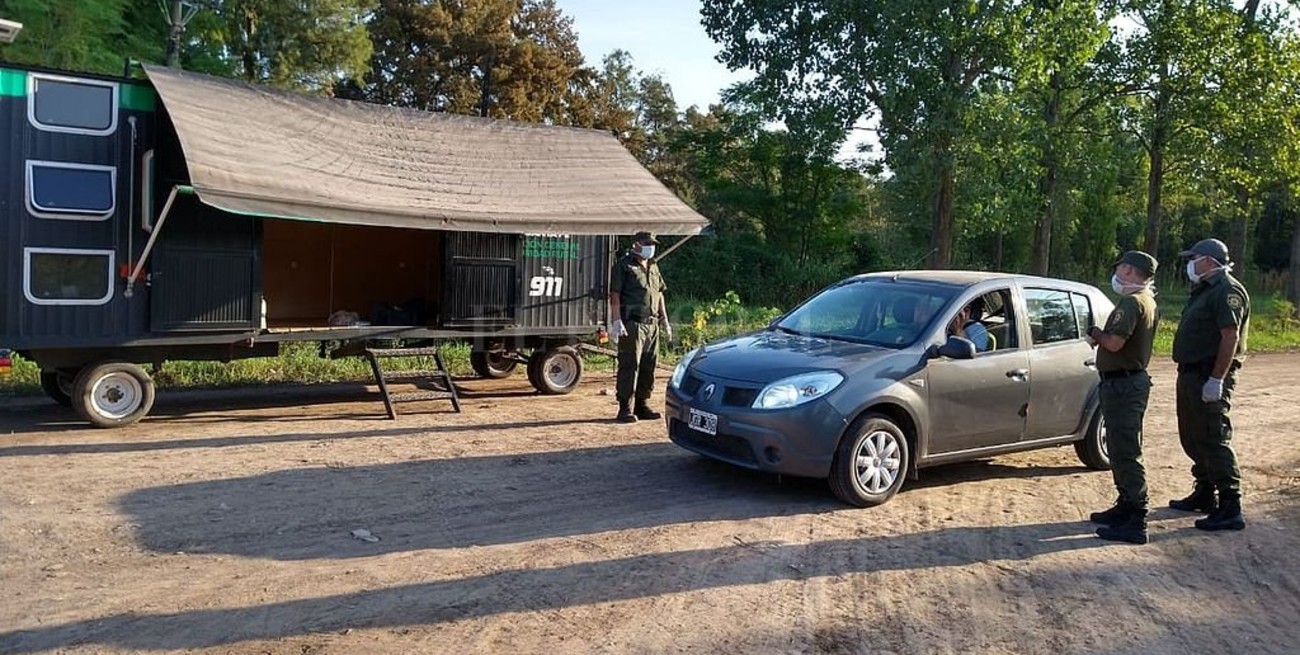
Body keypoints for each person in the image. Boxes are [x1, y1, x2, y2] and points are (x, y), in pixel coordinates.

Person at [1170, 238, 1250, 531]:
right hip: (1192, 372)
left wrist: (1216, 379)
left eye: (1193, 258)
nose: (1189, 263)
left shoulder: (1226, 290)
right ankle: (1205, 491)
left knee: (1214, 436)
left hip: (1209, 373)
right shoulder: (1204, 289)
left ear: (1208, 260)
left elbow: (1229, 336)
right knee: (1193, 435)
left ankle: (1230, 505)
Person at [1084, 250, 1160, 545]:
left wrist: (1095, 333)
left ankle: (1137, 518)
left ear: (1129, 270)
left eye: (1120, 268)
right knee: (1118, 447)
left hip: (1123, 385)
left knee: (1126, 450)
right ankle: (1126, 505)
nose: (1117, 274)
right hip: (1128, 383)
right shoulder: (1148, 301)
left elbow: (1114, 343)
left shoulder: (1131, 302)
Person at [609, 231, 672, 423]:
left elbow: (659, 294)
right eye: (647, 243)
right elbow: (615, 294)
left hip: (652, 324)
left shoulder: (653, 266)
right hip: (633, 323)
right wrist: (616, 320)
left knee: (649, 365)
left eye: (652, 243)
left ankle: (642, 404)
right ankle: (624, 408)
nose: (650, 247)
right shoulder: (624, 265)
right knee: (630, 365)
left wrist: (665, 321)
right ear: (636, 244)